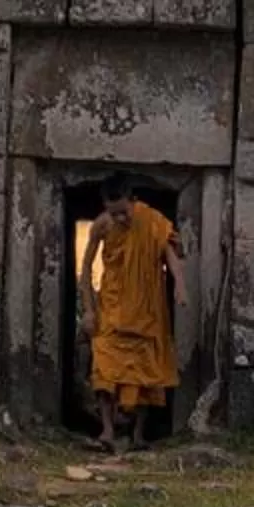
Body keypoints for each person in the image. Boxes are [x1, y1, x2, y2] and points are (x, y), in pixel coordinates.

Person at [77, 176, 184, 453]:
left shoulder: (151, 220)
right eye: (115, 214)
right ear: (105, 208)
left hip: (146, 308)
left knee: (144, 371)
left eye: (125, 211)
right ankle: (108, 431)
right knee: (104, 367)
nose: (121, 218)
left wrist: (180, 285)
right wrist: (88, 310)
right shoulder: (101, 226)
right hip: (111, 305)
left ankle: (138, 436)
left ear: (133, 201)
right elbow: (86, 269)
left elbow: (169, 251)